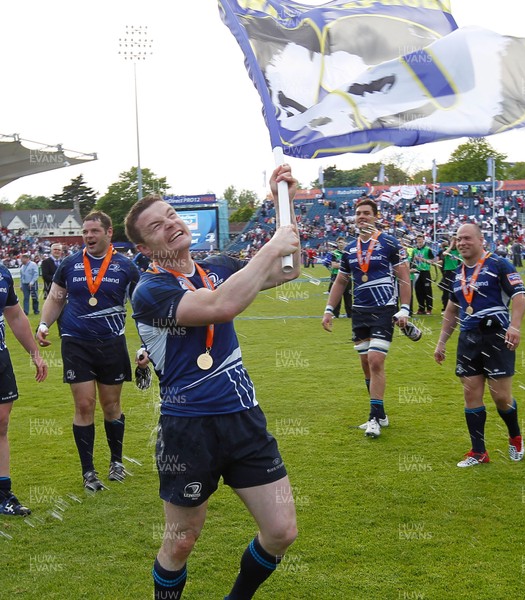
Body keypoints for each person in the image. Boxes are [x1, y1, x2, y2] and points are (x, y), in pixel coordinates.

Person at [124, 165, 300, 600]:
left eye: (171, 215)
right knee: (181, 540)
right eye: (156, 226)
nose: (170, 225)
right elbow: (221, 305)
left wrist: (283, 200)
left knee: (281, 531)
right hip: (188, 428)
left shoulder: (218, 266)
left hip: (243, 419)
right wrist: (271, 247)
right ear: (144, 245)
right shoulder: (149, 291)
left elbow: (289, 269)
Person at [36, 211, 141, 491]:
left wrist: (147, 343)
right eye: (85, 232)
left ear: (109, 233)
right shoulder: (70, 264)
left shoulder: (126, 267)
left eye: (94, 231)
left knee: (111, 406)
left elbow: (143, 306)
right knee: (84, 405)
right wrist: (44, 324)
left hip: (111, 342)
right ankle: (88, 472)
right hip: (76, 341)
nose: (89, 236)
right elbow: (55, 298)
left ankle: (116, 462)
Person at [434, 223, 525, 467]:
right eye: (458, 239)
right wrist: (441, 342)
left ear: (480, 240)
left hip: (496, 336)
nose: (462, 243)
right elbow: (452, 309)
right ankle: (478, 452)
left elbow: (519, 295)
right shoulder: (458, 273)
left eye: (467, 238)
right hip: (469, 338)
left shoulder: (498, 264)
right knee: (470, 392)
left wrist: (514, 326)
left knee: (501, 398)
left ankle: (515, 436)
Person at [321, 199, 411, 438]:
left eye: (367, 213)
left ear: (375, 216)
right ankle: (380, 413)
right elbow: (341, 280)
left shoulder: (390, 243)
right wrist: (330, 309)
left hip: (384, 310)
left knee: (375, 361)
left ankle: (373, 418)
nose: (362, 217)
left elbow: (404, 276)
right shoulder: (349, 248)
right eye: (358, 213)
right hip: (359, 312)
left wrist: (405, 309)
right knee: (365, 364)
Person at [0, 263, 47, 516]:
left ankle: (2, 494)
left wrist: (35, 354)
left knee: (2, 422)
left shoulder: (3, 273)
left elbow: (16, 316)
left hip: (1, 358)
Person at [327, 237, 352, 318]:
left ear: (345, 243)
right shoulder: (334, 253)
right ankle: (335, 314)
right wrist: (345, 265)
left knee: (348, 296)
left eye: (342, 242)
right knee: (337, 295)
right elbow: (334, 265)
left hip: (347, 276)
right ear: (337, 244)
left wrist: (341, 265)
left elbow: (351, 265)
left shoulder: (348, 253)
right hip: (336, 275)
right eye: (339, 243)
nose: (341, 244)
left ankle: (350, 314)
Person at [411, 234, 434, 314]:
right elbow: (412, 261)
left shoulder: (427, 249)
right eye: (418, 240)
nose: (419, 241)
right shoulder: (414, 250)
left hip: (425, 272)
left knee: (427, 290)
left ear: (423, 240)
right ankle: (421, 308)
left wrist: (423, 260)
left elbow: (432, 261)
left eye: (420, 240)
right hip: (417, 272)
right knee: (418, 291)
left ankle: (429, 309)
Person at [437, 236, 461, 312]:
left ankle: (457, 307)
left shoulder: (458, 250)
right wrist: (450, 246)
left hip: (456, 271)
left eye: (455, 242)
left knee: (456, 289)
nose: (454, 243)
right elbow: (443, 254)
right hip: (448, 271)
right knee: (446, 290)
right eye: (452, 242)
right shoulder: (447, 249)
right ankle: (445, 307)